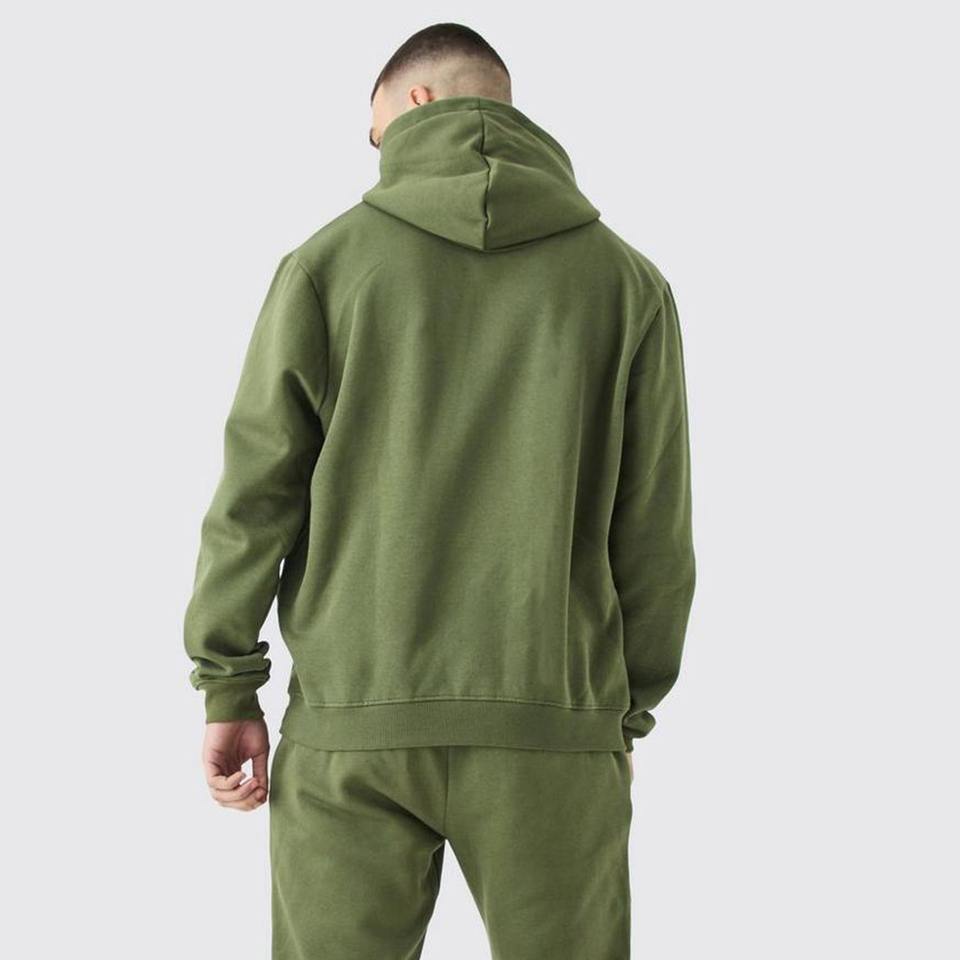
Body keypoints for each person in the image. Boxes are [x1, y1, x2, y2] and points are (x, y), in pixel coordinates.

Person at [183, 21, 696, 960]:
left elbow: (256, 494)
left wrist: (229, 687)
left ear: (416, 103)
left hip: (352, 726)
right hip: (554, 730)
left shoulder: (327, 267)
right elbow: (655, 531)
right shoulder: (627, 283)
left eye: (374, 132)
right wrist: (619, 716)